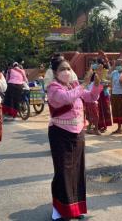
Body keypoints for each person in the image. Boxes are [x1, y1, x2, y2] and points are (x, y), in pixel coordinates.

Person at [47, 54, 101, 221]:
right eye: (62, 69)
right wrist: (84, 83)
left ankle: (76, 207)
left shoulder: (75, 84)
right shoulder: (53, 87)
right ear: (55, 73)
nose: (67, 71)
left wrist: (96, 86)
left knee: (77, 171)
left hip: (78, 132)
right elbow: (65, 98)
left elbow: (90, 98)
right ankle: (58, 208)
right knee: (63, 171)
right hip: (60, 132)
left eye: (68, 68)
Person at [94, 54, 113, 133]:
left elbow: (110, 81)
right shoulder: (95, 72)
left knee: (105, 108)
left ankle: (105, 125)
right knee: (98, 108)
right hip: (97, 92)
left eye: (97, 63)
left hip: (104, 92)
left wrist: (105, 84)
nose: (96, 65)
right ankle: (99, 124)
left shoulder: (106, 71)